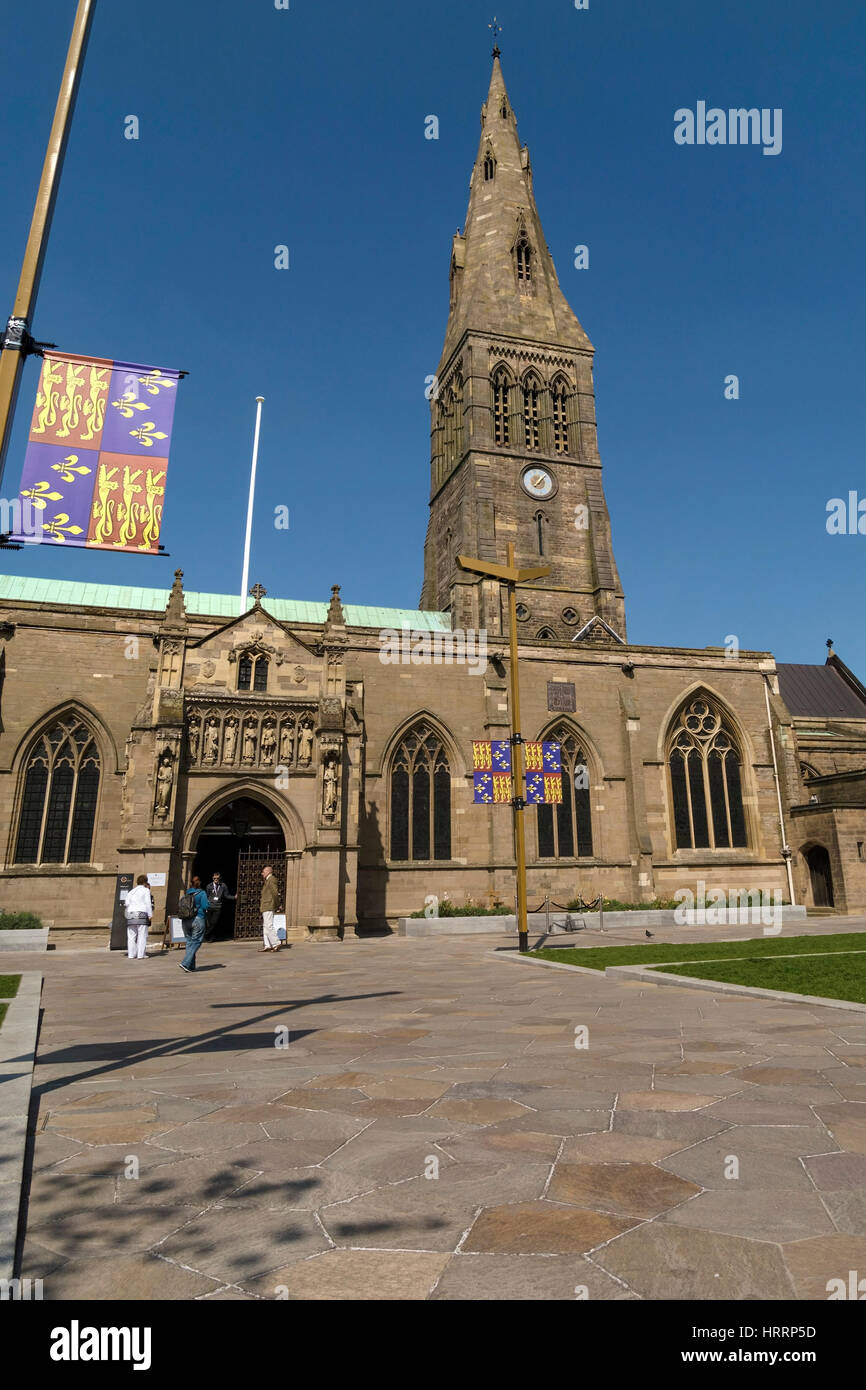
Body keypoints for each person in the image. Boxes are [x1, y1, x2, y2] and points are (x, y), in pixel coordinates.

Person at [179, 875, 210, 974]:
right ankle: (185, 963)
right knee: (196, 942)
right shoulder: (202, 893)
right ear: (199, 883)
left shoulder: (186, 893)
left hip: (185, 920)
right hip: (198, 919)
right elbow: (205, 906)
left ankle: (191, 966)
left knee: (189, 942)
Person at [124, 875, 152, 960]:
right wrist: (150, 914)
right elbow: (148, 903)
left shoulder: (131, 891)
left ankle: (131, 955)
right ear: (145, 882)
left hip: (131, 914)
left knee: (131, 936)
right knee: (142, 935)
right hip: (141, 913)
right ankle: (140, 955)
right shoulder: (146, 890)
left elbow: (126, 903)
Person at [204, 870, 235, 942]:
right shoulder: (209, 886)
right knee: (208, 923)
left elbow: (226, 895)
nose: (216, 880)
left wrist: (234, 897)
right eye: (214, 878)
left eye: (217, 878)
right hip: (209, 906)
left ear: (220, 878)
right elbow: (207, 896)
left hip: (217, 907)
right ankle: (210, 937)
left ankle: (206, 934)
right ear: (212, 878)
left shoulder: (223, 886)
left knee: (214, 922)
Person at [260, 865, 282, 952]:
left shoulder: (271, 879)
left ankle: (276, 942)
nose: (262, 874)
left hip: (269, 905)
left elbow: (275, 893)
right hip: (266, 905)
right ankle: (267, 945)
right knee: (265, 926)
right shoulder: (267, 880)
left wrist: (277, 904)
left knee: (268, 925)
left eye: (263, 872)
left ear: (268, 871)